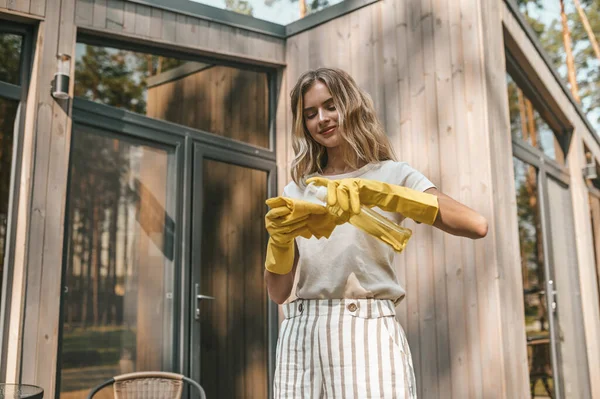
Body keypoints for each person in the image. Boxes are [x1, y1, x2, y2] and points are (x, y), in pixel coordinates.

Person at [264, 67, 488, 398]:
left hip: (366, 328)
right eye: (310, 114)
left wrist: (387, 195)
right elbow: (278, 293)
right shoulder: (297, 190)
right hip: (302, 331)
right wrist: (279, 241)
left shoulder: (393, 174)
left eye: (330, 106)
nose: (322, 119)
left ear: (351, 105)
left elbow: (476, 225)